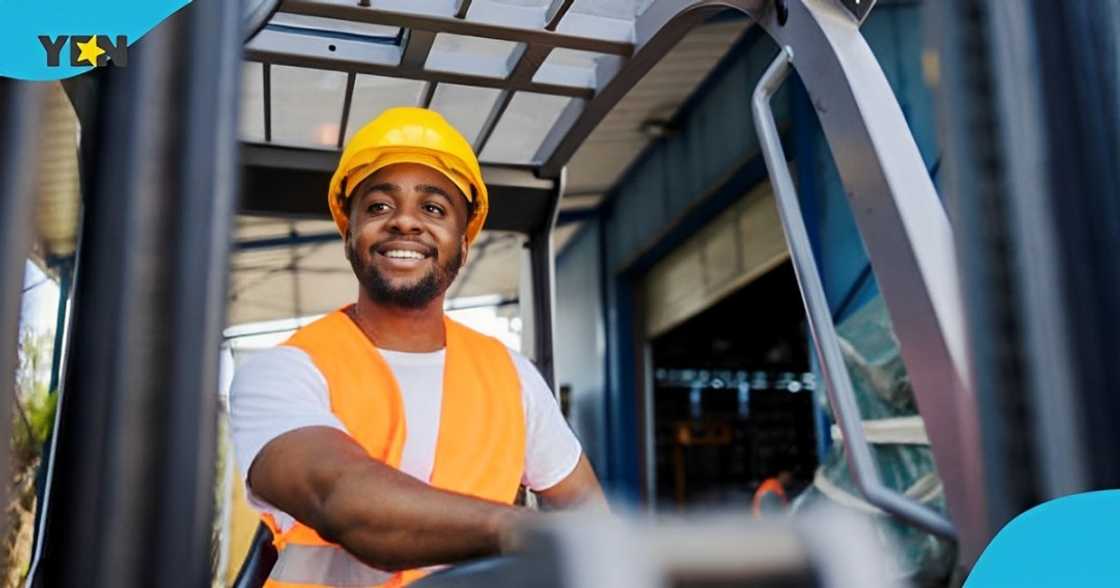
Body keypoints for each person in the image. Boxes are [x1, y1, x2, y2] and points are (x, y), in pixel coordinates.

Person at [230, 107, 606, 587]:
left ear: (463, 244)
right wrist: (526, 530)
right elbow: (344, 501)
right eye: (380, 206)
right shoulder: (283, 372)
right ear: (349, 236)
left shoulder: (511, 377)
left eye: (433, 208)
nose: (405, 223)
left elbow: (586, 510)